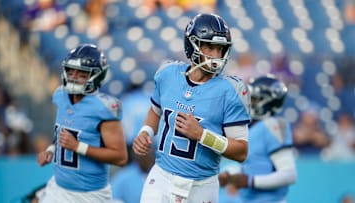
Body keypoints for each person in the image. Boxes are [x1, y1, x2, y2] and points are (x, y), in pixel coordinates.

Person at [132, 13, 251, 203]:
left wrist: (203, 135)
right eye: (209, 47)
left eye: (220, 49)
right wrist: (146, 131)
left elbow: (241, 151)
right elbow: (155, 111)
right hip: (162, 176)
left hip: (201, 185)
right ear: (192, 45)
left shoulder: (231, 90)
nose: (215, 55)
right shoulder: (168, 74)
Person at [37, 44, 128, 203]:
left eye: (82, 73)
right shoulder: (60, 95)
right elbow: (64, 132)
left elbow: (120, 157)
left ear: (97, 76)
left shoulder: (104, 108)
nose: (73, 76)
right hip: (57, 188)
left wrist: (78, 147)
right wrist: (51, 149)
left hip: (89, 195)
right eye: (71, 71)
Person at [219, 75, 297, 203]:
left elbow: (289, 174)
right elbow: (254, 166)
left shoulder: (273, 124)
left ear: (267, 101)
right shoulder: (253, 127)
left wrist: (251, 181)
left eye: (254, 99)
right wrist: (230, 175)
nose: (250, 102)